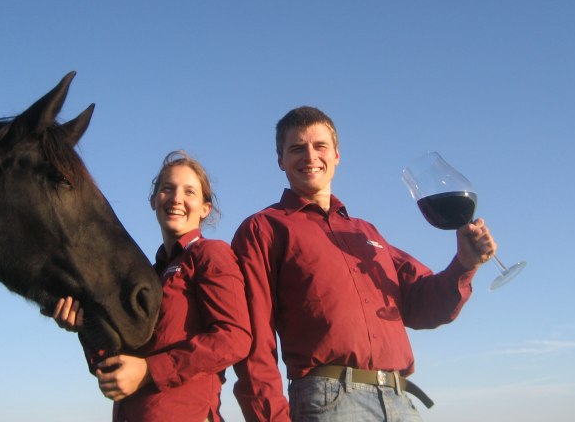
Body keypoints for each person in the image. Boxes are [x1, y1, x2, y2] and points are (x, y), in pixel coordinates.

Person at [231, 106, 498, 422]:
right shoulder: (263, 229)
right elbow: (254, 340)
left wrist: (464, 264)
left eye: (320, 146)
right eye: (296, 148)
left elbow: (425, 307)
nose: (310, 156)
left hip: (400, 398)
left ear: (337, 155)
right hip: (328, 402)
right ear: (281, 161)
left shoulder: (367, 232)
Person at [53, 150, 252, 422]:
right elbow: (117, 366)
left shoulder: (210, 255)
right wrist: (83, 327)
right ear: (153, 200)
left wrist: (150, 371)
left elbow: (234, 338)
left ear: (205, 208)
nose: (176, 198)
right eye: (167, 189)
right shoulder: (146, 276)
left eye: (189, 192)